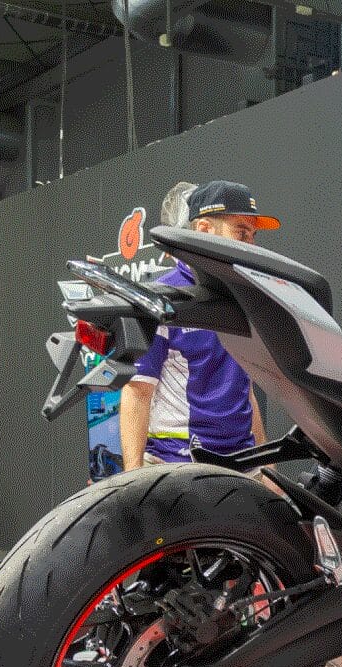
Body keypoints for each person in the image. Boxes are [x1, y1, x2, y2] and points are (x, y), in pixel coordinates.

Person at [120, 180, 273, 469]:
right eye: (241, 233)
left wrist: (266, 466)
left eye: (253, 236)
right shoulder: (164, 299)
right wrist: (133, 477)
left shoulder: (244, 298)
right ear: (204, 230)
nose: (251, 245)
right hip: (177, 465)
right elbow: (137, 392)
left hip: (242, 465)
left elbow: (246, 392)